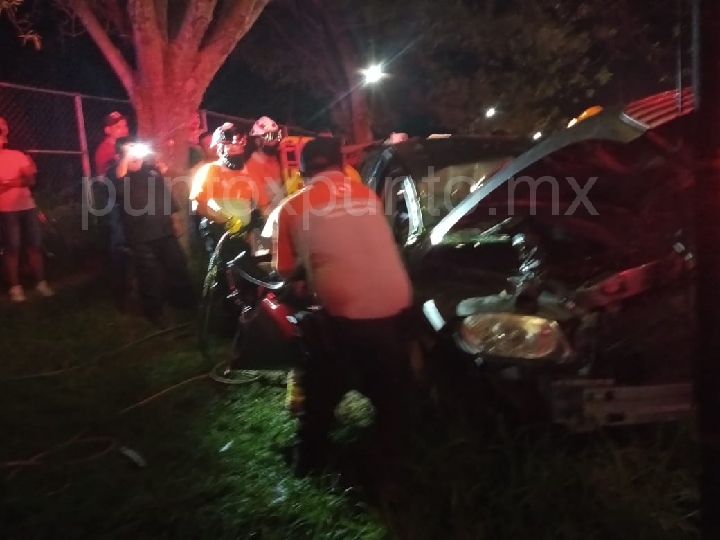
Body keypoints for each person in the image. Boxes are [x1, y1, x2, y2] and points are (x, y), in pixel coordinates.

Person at [271, 136, 416, 477]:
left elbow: (284, 270)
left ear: (302, 172)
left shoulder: (292, 207)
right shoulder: (367, 196)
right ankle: (392, 461)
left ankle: (308, 458)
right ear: (341, 166)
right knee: (391, 392)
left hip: (346, 316)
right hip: (400, 307)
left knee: (321, 383)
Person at [108, 136, 195, 327]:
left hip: (164, 230)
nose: (135, 156)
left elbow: (165, 194)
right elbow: (120, 186)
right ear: (120, 156)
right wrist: (126, 157)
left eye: (136, 151)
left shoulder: (150, 171)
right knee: (150, 274)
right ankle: (155, 313)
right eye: (129, 152)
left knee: (177, 264)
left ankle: (185, 304)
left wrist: (175, 218)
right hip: (141, 236)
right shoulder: (117, 175)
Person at [190, 122, 269, 255]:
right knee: (223, 272)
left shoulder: (250, 173)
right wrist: (229, 223)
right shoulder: (211, 170)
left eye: (239, 145)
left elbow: (264, 206)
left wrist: (272, 229)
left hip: (244, 232)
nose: (236, 149)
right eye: (231, 146)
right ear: (219, 148)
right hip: (218, 232)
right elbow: (198, 204)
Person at [0, 116, 54, 302]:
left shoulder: (17, 155)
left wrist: (8, 182)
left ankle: (41, 283)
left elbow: (31, 180)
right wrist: (19, 181)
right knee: (12, 248)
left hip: (27, 206)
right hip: (5, 210)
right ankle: (15, 288)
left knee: (34, 246)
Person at [94, 111, 132, 310]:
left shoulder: (125, 147)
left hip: (126, 200)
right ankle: (120, 288)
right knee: (118, 240)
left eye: (124, 125)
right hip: (113, 200)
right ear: (107, 129)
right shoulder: (105, 150)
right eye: (118, 125)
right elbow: (111, 176)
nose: (123, 128)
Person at [246, 116, 284, 208]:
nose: (275, 140)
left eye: (277, 135)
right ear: (258, 141)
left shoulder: (276, 159)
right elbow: (263, 206)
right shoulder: (252, 167)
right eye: (271, 136)